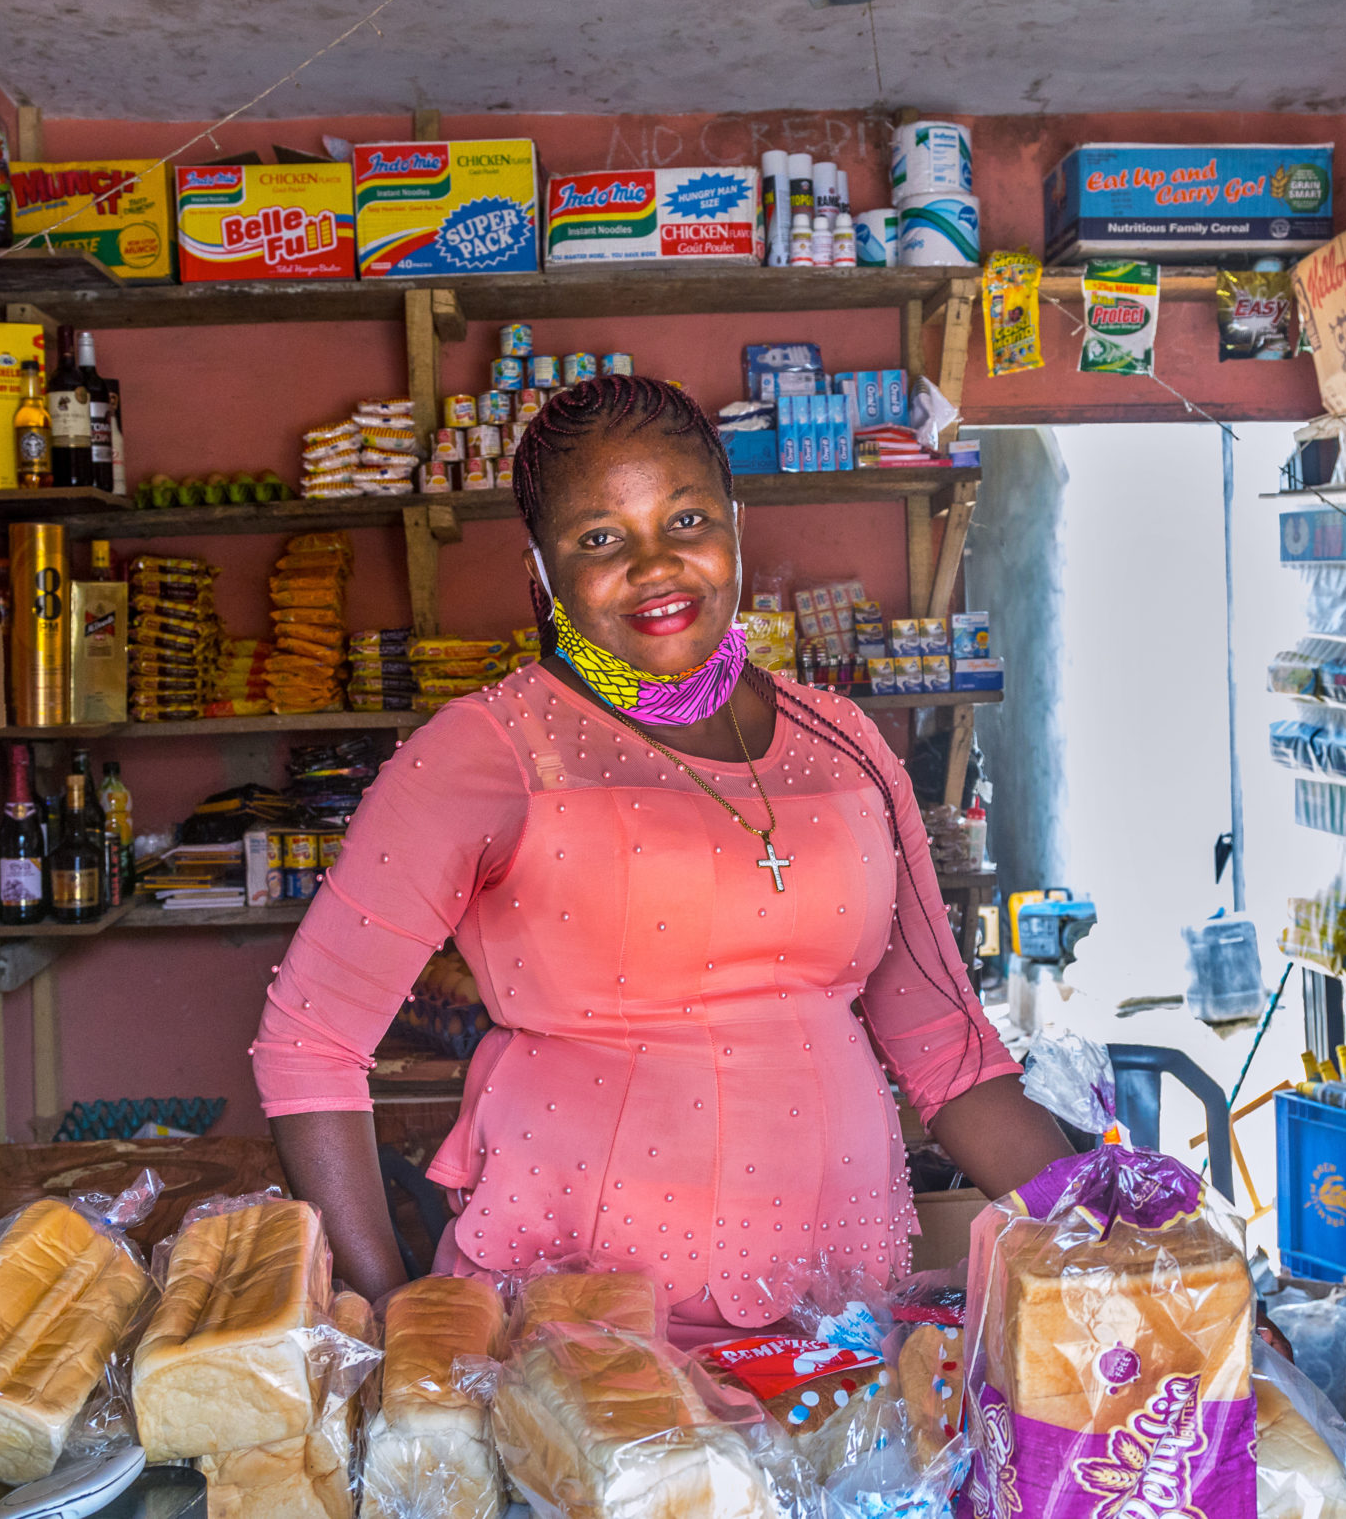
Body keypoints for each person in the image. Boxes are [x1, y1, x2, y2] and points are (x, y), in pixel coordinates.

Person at [254, 373, 1071, 1336]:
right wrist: (393, 1314)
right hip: (575, 1342)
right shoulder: (492, 750)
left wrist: (1108, 1225)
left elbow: (952, 1054)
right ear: (542, 574)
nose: (655, 565)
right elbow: (309, 1045)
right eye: (600, 538)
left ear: (733, 522)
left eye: (685, 519)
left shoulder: (844, 743)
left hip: (835, 1322)